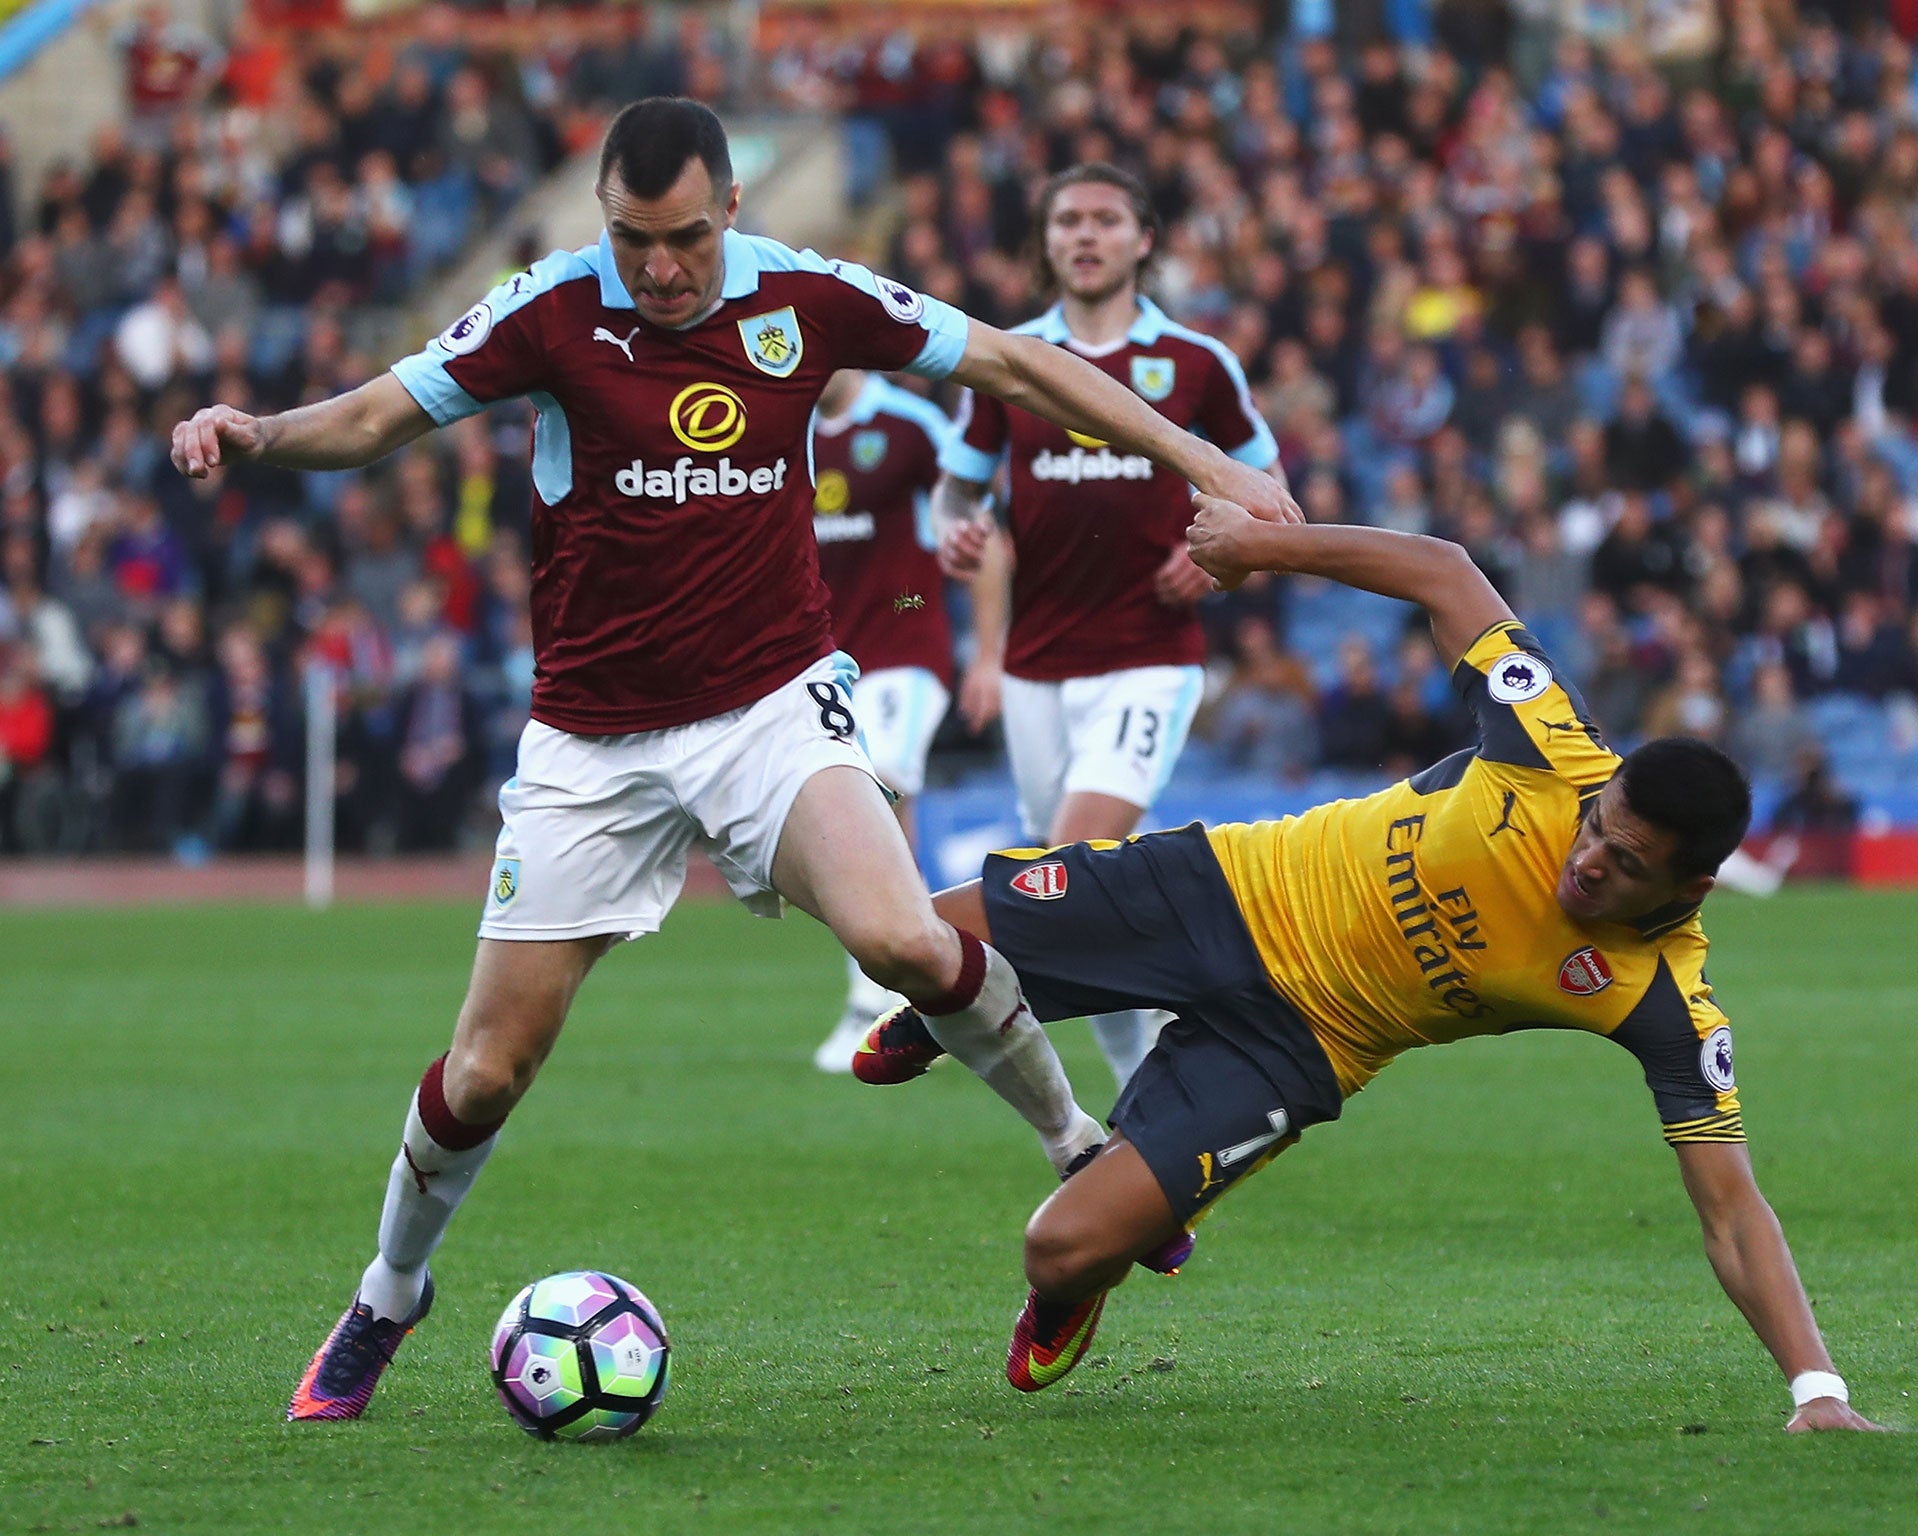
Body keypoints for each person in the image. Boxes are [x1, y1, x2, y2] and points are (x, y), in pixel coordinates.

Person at [167, 98, 1299, 1424]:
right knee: (484, 1073)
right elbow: (374, 418)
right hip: (591, 744)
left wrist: (1201, 454)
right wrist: (260, 430)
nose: (659, 269)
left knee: (910, 942)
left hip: (771, 707)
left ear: (733, 214)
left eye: (686, 239)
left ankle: (1080, 1148)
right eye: (634, 240)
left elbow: (1015, 367)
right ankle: (386, 1295)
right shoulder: (545, 310)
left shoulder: (809, 298)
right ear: (604, 219)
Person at [857, 501, 1880, 1433]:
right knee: (907, 934)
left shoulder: (1663, 999)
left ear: (1689, 890)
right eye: (1595, 830)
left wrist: (1817, 1390)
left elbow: (1731, 1209)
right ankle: (957, 1005)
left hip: (1296, 1048)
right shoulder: (1552, 746)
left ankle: (1088, 1234)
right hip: (1218, 887)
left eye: (1623, 867)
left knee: (1060, 1248)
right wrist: (1263, 550)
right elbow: (1442, 567)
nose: (1586, 862)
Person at [932, 162, 1283, 1090]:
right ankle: (1151, 1075)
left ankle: (1201, 1029)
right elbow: (956, 489)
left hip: (1149, 657)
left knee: (1071, 868)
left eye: (1104, 219)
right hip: (1035, 668)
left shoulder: (1199, 365)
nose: (1085, 235)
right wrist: (953, 530)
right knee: (1076, 898)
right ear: (1046, 243)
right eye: (1067, 221)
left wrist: (1222, 558)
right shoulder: (1007, 361)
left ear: (1143, 240)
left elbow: (1269, 497)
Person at [806, 367, 958, 1071]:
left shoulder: (910, 425)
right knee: (846, 822)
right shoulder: (791, 432)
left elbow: (975, 519)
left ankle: (882, 997)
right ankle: (925, 983)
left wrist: (987, 649)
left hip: (906, 642)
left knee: (881, 785)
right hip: (825, 661)